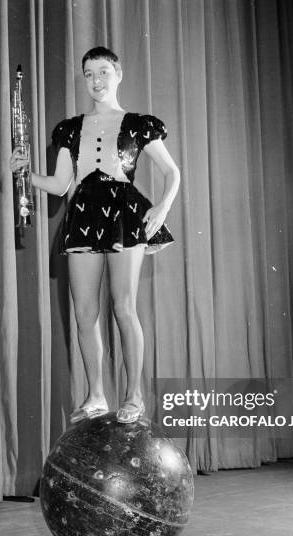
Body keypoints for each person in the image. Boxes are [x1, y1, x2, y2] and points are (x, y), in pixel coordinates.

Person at [10, 46, 180, 424]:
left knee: (123, 306)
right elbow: (58, 185)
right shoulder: (69, 129)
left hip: (124, 214)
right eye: (88, 74)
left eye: (103, 72)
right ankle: (97, 395)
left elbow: (173, 172)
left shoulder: (139, 123)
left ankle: (134, 397)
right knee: (84, 313)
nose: (96, 81)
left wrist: (163, 206)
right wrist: (25, 172)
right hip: (83, 213)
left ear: (118, 74)